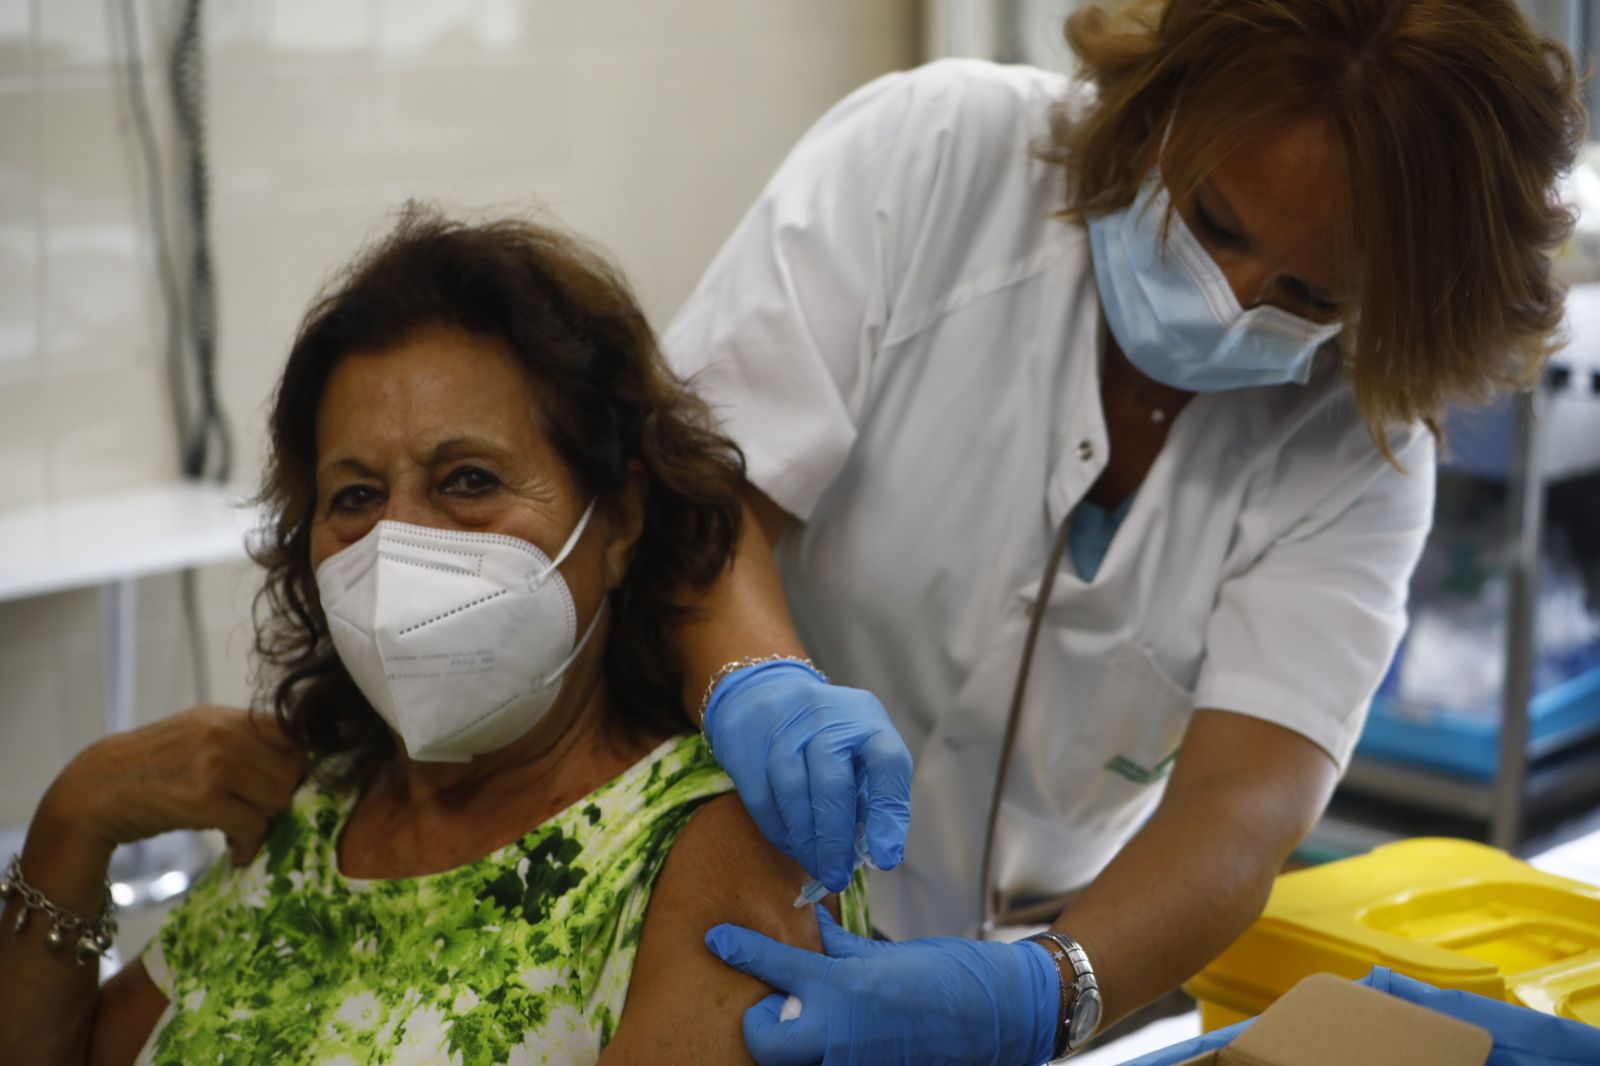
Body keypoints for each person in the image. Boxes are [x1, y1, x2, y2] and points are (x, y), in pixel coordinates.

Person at [663, 1, 1587, 1063]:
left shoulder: (1359, 444)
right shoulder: (937, 156)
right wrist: (759, 681)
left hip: (1024, 935)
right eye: (1214, 222)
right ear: (1155, 111)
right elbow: (702, 499)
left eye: (1308, 293)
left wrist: (1041, 993)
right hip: (729, 868)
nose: (1232, 304)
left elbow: (1245, 798)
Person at [0, 209, 869, 1065]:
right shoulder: (307, 815)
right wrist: (73, 822)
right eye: (356, 497)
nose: (398, 545)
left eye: (468, 480)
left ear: (619, 520)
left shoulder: (718, 845)